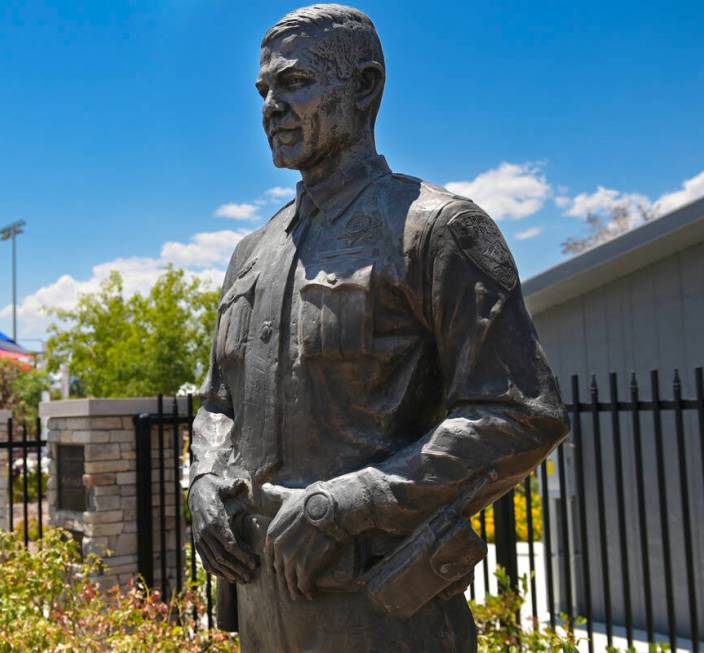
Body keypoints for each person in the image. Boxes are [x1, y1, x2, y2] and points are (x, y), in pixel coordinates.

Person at [188, 5, 568, 651]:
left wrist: (351, 501)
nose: (272, 107)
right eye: (264, 91)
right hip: (260, 609)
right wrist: (203, 477)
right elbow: (218, 401)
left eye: (296, 83)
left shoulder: (437, 229)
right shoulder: (252, 251)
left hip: (382, 612)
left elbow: (519, 414)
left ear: (364, 88)